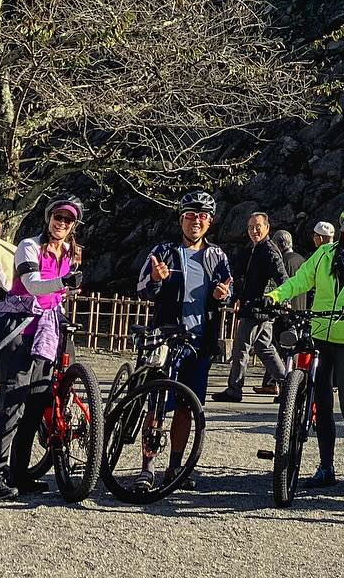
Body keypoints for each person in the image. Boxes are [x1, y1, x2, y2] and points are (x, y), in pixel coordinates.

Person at [267, 200, 344, 494]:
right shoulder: (322, 254)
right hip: (320, 335)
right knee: (323, 405)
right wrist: (275, 295)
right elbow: (300, 281)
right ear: (342, 229)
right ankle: (325, 467)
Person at [0, 196, 84, 500]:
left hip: (47, 331)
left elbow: (58, 293)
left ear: (73, 225)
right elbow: (34, 283)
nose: (61, 223)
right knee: (14, 400)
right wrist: (64, 281)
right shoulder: (29, 246)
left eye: (67, 220)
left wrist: (68, 288)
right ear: (48, 217)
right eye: (58, 217)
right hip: (18, 328)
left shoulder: (68, 252)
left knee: (37, 401)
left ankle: (20, 474)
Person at [136, 190, 234, 491]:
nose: (196, 220)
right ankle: (147, 467)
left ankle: (176, 467)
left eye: (202, 216)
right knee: (155, 405)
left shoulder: (217, 256)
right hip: (165, 338)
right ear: (181, 219)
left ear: (210, 222)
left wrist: (224, 296)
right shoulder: (163, 251)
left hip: (199, 341)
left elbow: (229, 291)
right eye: (191, 215)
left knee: (187, 407)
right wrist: (156, 280)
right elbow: (141, 289)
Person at [214, 210, 288, 402]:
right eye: (251, 227)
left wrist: (274, 298)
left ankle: (234, 389)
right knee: (264, 348)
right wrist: (240, 297)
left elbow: (282, 278)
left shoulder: (269, 250)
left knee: (241, 348)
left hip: (259, 308)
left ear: (267, 228)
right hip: (256, 306)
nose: (254, 230)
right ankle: (287, 386)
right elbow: (250, 280)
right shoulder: (256, 249)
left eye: (258, 227)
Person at [274, 229, 307, 311]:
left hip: (286, 311)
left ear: (278, 245)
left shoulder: (280, 262)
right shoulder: (302, 259)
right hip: (301, 309)